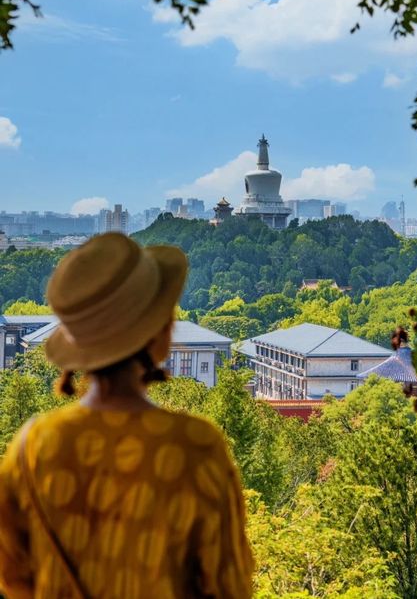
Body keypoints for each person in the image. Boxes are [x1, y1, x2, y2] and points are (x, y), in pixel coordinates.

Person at [0, 232, 253, 599]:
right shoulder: (195, 448)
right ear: (158, 334)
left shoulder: (34, 447)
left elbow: (12, 573)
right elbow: (229, 585)